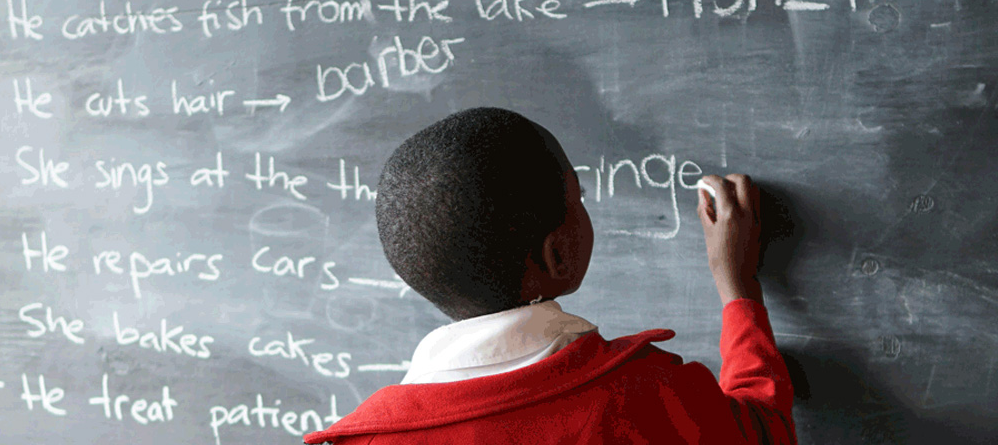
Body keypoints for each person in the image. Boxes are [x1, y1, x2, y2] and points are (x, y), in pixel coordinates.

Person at [304, 107, 796, 444]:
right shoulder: (645, 396)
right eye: (577, 197)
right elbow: (763, 430)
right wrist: (739, 290)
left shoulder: (363, 438)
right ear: (558, 254)